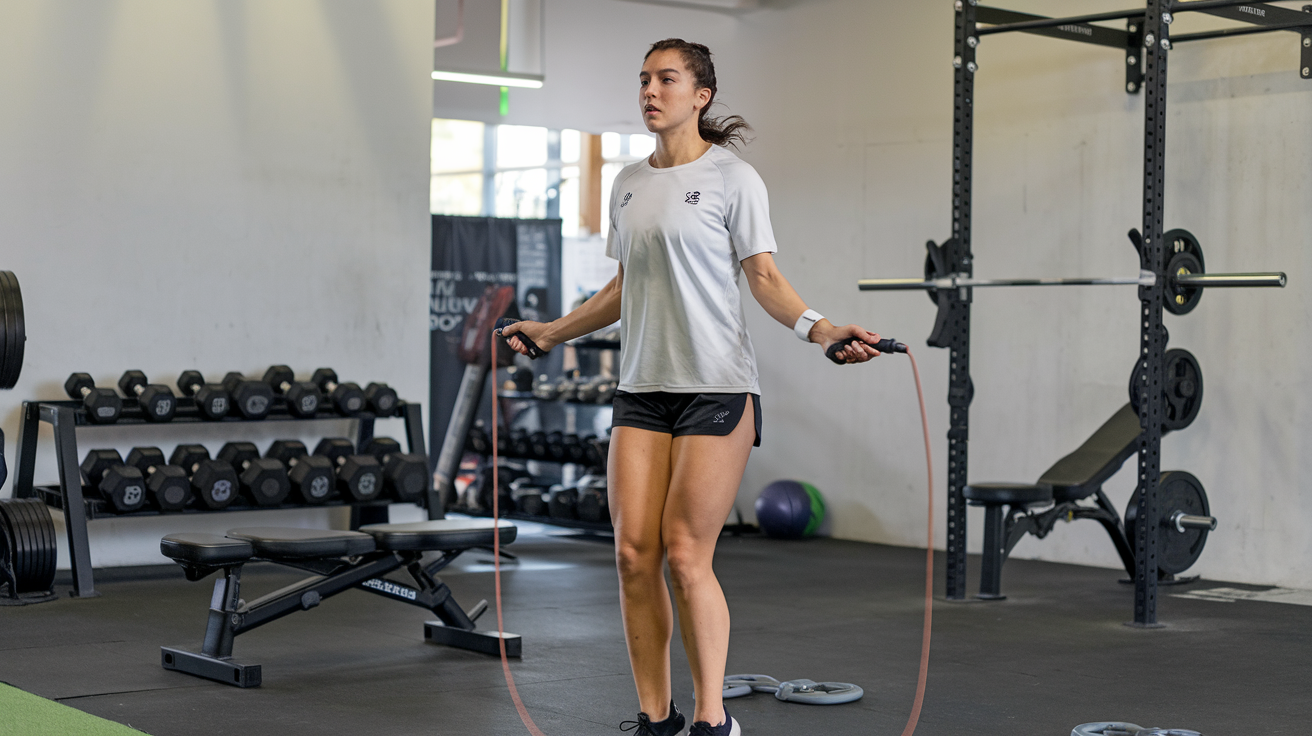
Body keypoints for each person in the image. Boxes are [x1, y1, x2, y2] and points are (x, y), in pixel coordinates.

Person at [500, 38, 882, 736]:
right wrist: (553, 331)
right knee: (631, 554)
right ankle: (656, 718)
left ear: (700, 95)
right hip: (642, 386)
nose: (650, 90)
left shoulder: (735, 179)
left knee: (683, 551)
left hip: (716, 387)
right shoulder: (627, 183)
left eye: (666, 79)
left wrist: (824, 331)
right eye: (644, 79)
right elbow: (621, 290)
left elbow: (763, 278)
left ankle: (713, 722)